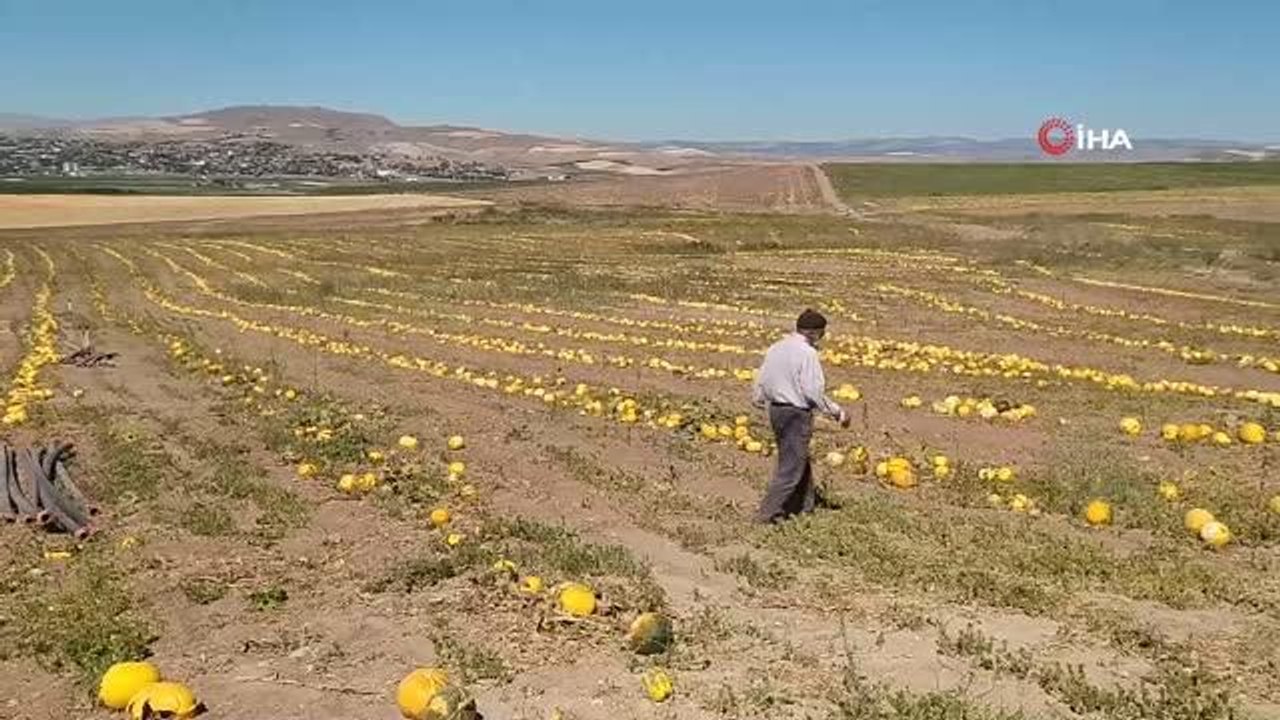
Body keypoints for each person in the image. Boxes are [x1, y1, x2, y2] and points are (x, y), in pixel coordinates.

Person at [751, 308, 850, 523]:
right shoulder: (807, 354)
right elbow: (812, 391)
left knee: (799, 459)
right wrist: (837, 412)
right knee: (791, 467)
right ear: (814, 333)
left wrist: (758, 398)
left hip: (776, 410)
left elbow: (762, 378)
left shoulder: (777, 347)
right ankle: (766, 514)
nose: (822, 338)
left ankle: (806, 508)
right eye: (822, 333)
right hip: (796, 413)